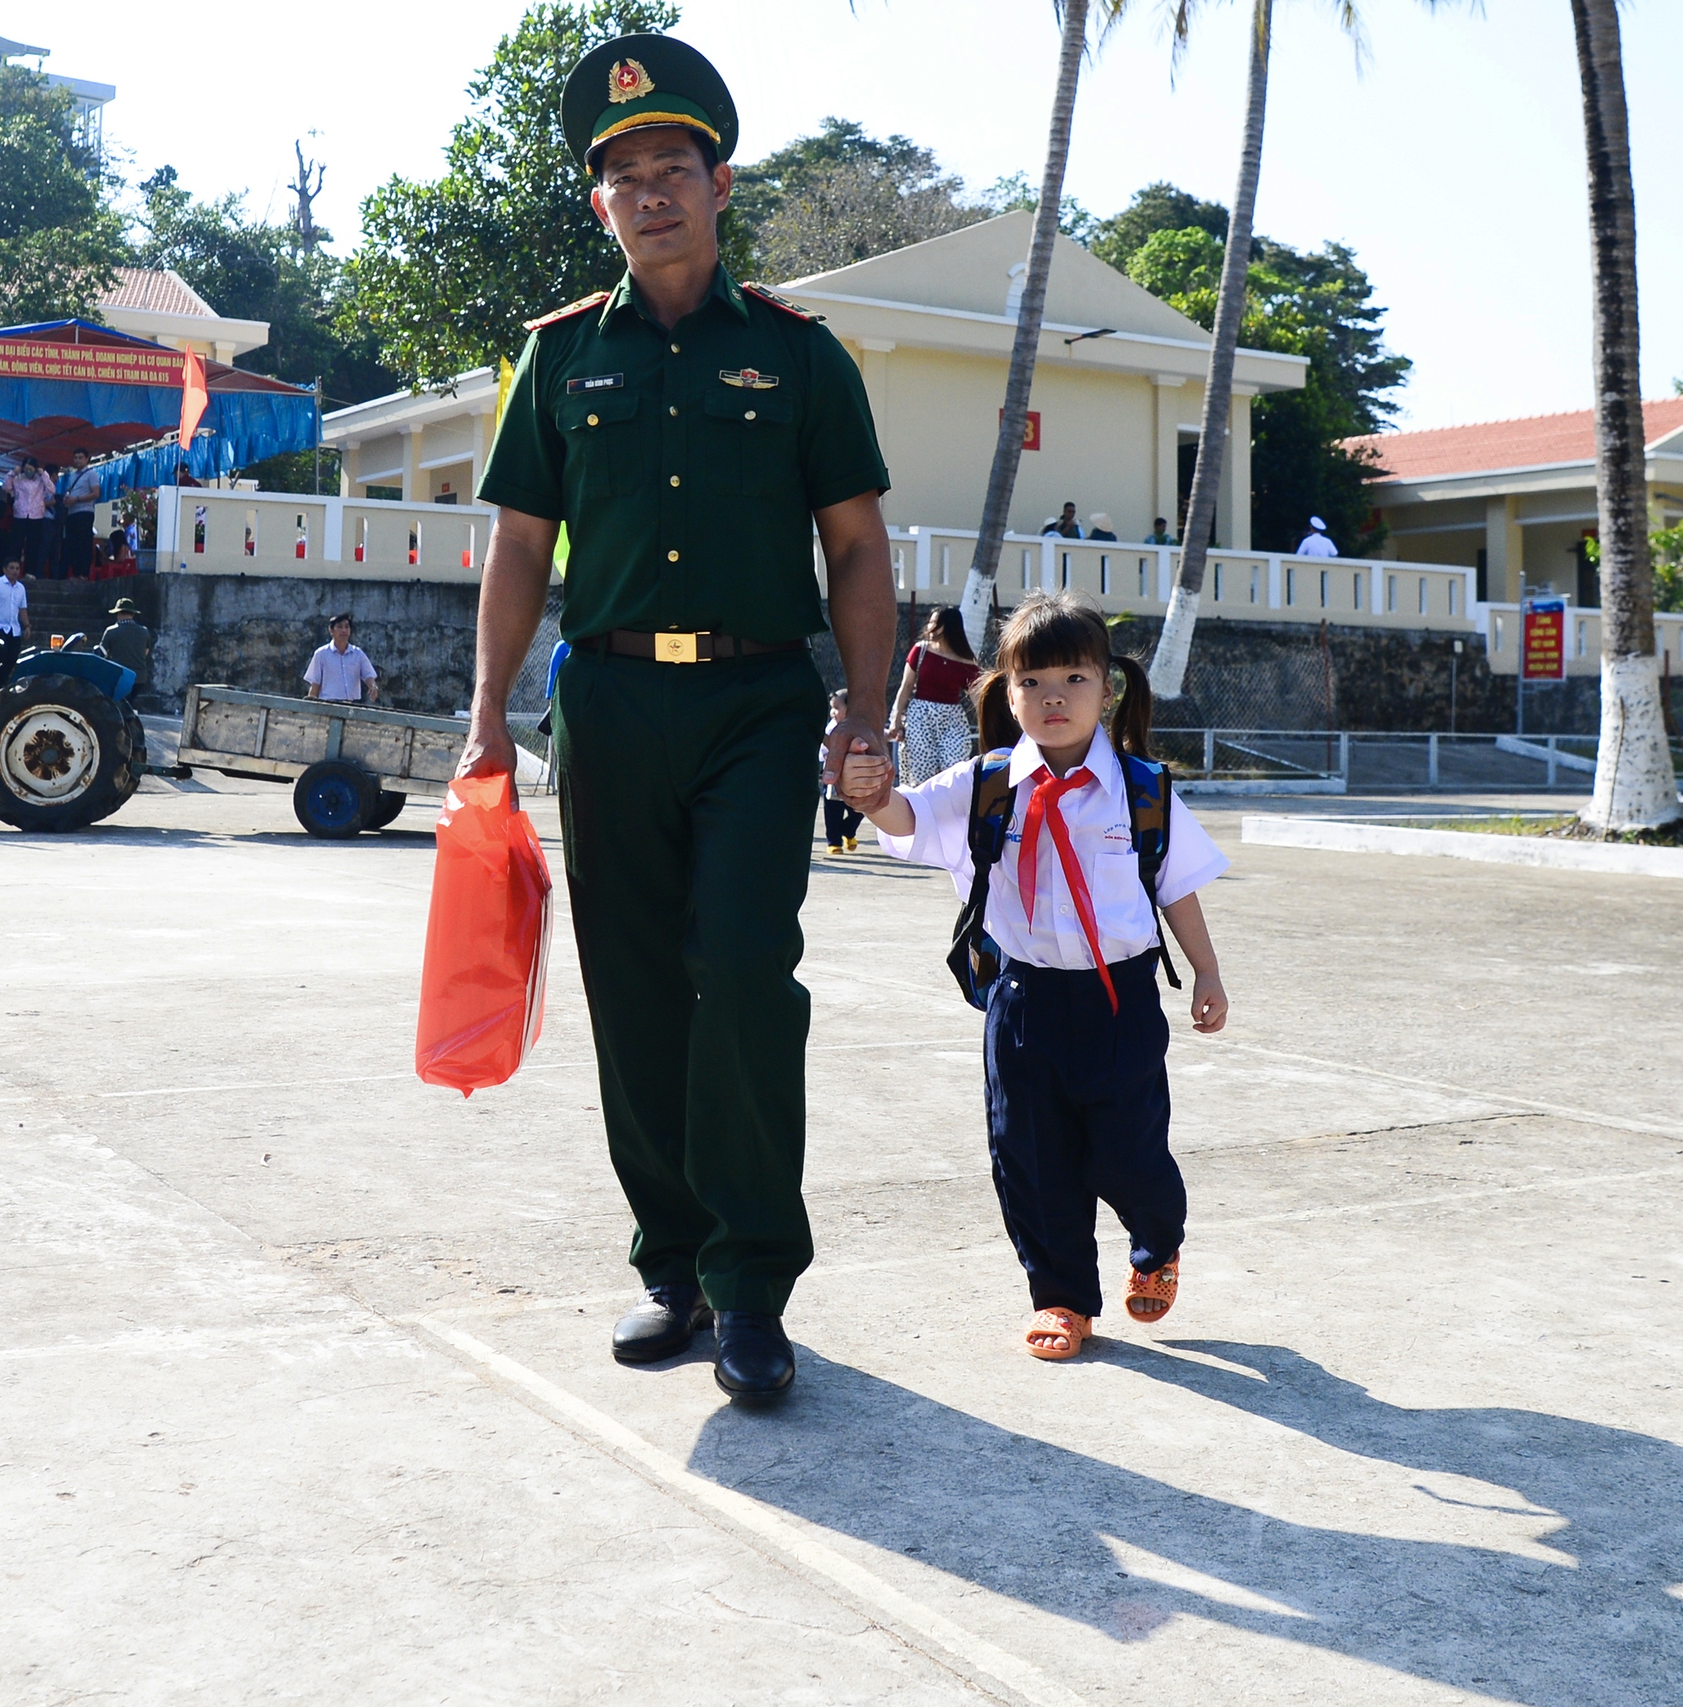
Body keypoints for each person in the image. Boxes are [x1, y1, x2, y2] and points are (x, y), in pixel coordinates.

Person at [463, 32, 896, 1405]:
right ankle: (674, 1263)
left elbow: (860, 548)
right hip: (607, 700)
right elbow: (522, 549)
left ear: (721, 185)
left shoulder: (799, 356)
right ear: (601, 206)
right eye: (626, 175)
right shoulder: (558, 360)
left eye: (675, 167)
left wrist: (868, 713)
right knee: (635, 983)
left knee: (747, 969)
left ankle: (753, 1280)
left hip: (757, 700)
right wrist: (486, 716)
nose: (651, 191)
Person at [837, 593, 1230, 1363]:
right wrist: (872, 794)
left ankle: (1156, 1242)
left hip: (1121, 998)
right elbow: (911, 820)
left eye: (1075, 678)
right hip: (1022, 1002)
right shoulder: (985, 784)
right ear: (1006, 692)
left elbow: (1176, 885)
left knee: (1130, 1153)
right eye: (1033, 681)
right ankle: (1061, 1296)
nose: (1054, 697)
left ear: (1106, 690)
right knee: (1032, 1155)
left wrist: (1208, 969)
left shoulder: (1144, 790)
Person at [888, 605, 979, 787]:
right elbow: (905, 687)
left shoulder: (965, 661)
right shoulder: (920, 651)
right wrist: (896, 718)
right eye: (930, 622)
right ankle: (922, 810)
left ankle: (950, 809)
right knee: (922, 772)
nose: (930, 627)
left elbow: (978, 698)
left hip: (952, 719)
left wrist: (990, 725)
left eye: (936, 623)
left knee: (955, 768)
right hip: (920, 715)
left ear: (950, 627)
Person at [818, 688, 864, 855]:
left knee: (859, 809)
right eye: (832, 708)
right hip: (833, 776)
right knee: (832, 810)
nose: (832, 712)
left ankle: (848, 830)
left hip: (854, 777)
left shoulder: (860, 726)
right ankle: (834, 841)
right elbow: (823, 750)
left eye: (836, 708)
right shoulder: (831, 729)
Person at [304, 613, 379, 703]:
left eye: (347, 627)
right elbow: (315, 684)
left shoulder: (358, 654)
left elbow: (368, 674)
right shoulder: (321, 654)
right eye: (339, 627)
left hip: (352, 706)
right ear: (331, 630)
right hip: (328, 705)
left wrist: (372, 686)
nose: (344, 630)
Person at [8, 458, 56, 579]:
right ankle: (13, 570)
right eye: (26, 469)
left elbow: (52, 489)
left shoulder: (40, 479)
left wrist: (44, 474)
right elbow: (6, 486)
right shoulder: (18, 478)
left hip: (36, 515)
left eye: (31, 469)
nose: (28, 471)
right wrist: (13, 473)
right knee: (16, 544)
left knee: (33, 545)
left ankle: (30, 572)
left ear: (35, 469)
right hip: (20, 514)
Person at [61, 463, 103, 575]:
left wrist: (77, 499)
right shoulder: (72, 475)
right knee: (72, 544)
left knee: (84, 544)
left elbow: (96, 493)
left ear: (86, 459)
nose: (78, 460)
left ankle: (83, 573)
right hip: (72, 513)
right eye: (76, 458)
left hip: (85, 512)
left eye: (80, 458)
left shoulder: (91, 474)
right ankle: (74, 572)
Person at [0, 559, 30, 651]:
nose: (14, 571)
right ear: (4, 569)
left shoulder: (21, 588)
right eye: (11, 568)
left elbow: (22, 609)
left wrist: (27, 626)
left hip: (14, 628)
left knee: (13, 656)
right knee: (0, 653)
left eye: (17, 568)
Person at [97, 597, 153, 677]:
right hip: (140, 677)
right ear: (133, 614)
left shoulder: (111, 631)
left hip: (119, 676)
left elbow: (101, 653)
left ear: (118, 614)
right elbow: (146, 652)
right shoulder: (144, 631)